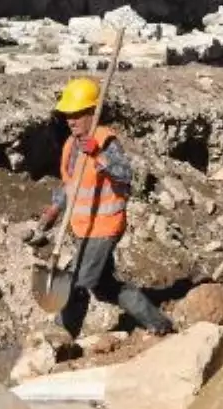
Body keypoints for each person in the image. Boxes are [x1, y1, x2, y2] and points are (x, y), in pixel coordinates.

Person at [36, 77, 174, 337]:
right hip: (83, 227)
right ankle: (158, 322)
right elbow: (71, 185)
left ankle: (62, 337)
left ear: (91, 112)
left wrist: (99, 155)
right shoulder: (70, 146)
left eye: (77, 115)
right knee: (104, 286)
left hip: (104, 226)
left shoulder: (106, 141)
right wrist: (54, 209)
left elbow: (125, 174)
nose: (71, 120)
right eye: (68, 116)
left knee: (77, 284)